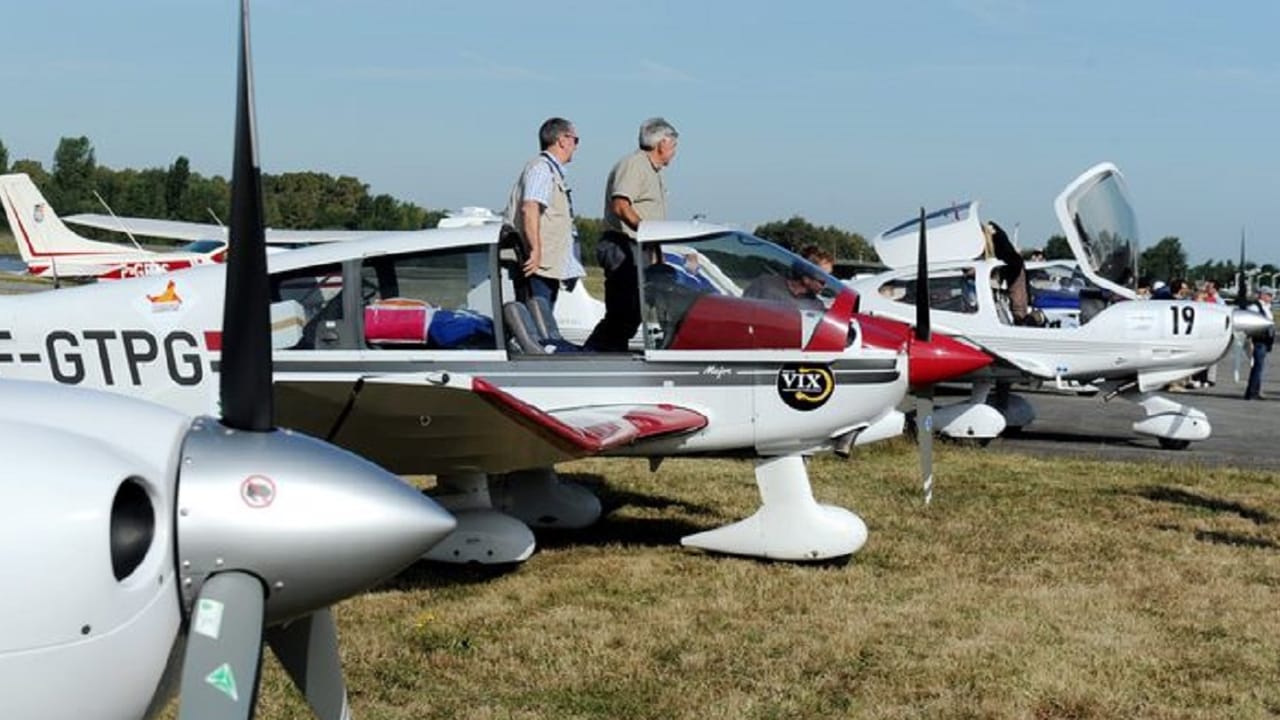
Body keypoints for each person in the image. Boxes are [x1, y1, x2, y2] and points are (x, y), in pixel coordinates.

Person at [584, 118, 679, 351]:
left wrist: (656, 253)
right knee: (624, 310)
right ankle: (595, 355)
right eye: (674, 145)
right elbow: (621, 205)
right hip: (622, 246)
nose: (675, 151)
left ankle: (608, 352)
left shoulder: (652, 170)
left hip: (640, 247)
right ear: (662, 143)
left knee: (633, 312)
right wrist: (645, 231)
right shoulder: (635, 164)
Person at [501, 117, 580, 308]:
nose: (576, 146)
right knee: (536, 321)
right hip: (538, 265)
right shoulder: (541, 169)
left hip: (546, 265)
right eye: (575, 140)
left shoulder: (548, 170)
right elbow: (530, 208)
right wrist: (536, 251)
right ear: (562, 140)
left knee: (540, 319)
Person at [743, 262, 826, 312]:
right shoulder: (765, 283)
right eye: (822, 282)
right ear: (806, 279)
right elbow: (742, 309)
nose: (825, 286)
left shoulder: (817, 306)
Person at [1244, 286, 1275, 400]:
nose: (1271, 297)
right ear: (1263, 295)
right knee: (1257, 367)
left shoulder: (1266, 307)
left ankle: (1256, 390)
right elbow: (1251, 324)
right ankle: (1251, 392)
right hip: (1258, 340)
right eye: (1269, 295)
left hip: (1265, 341)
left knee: (1259, 367)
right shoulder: (1254, 307)